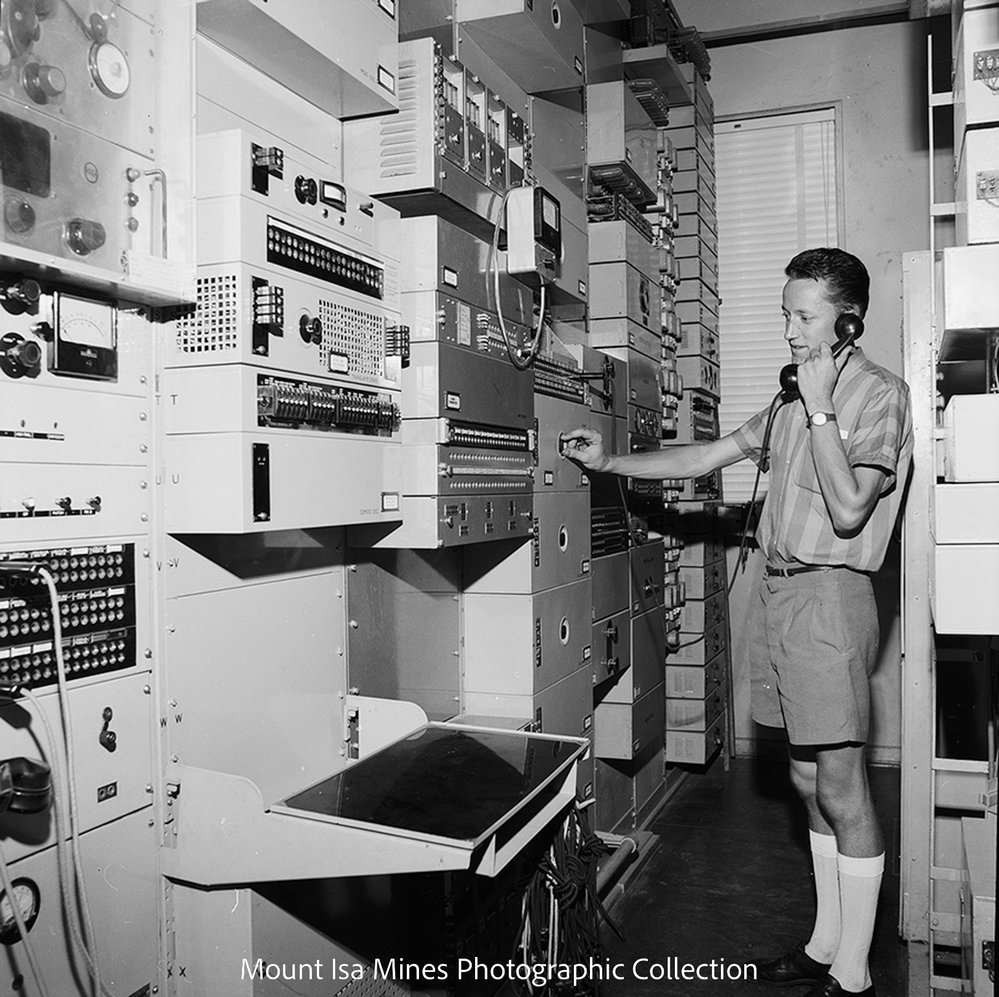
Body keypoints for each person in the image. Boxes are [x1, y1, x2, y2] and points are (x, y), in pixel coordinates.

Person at [561, 248, 913, 997]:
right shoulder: (788, 402)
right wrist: (612, 463)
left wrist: (820, 406)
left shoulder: (877, 395)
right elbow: (709, 453)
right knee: (801, 774)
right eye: (785, 313)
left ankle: (852, 977)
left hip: (830, 596)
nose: (789, 330)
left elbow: (851, 507)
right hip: (780, 593)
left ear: (846, 320)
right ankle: (823, 944)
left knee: (843, 787)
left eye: (804, 315)